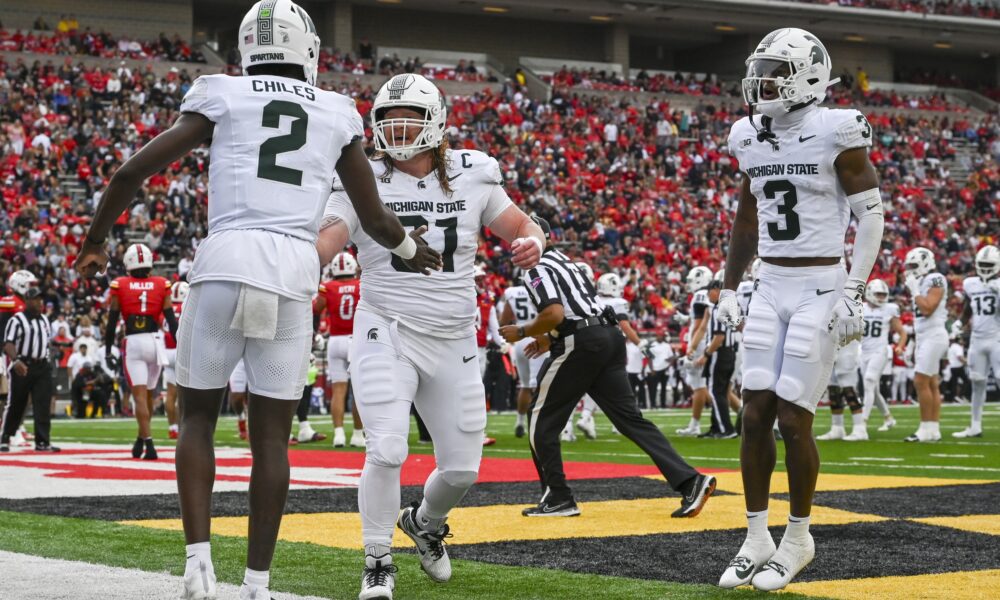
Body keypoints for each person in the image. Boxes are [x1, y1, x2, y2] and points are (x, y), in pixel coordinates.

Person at [73, 3, 440, 599]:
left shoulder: (223, 92)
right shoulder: (336, 111)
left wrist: (95, 241)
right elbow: (373, 216)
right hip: (292, 271)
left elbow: (129, 174)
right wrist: (408, 249)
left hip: (223, 263)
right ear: (309, 50)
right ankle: (257, 584)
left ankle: (197, 562)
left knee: (196, 419)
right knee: (270, 439)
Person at [316, 72, 544, 600]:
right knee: (388, 448)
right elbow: (330, 236)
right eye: (389, 119)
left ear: (436, 121)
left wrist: (533, 241)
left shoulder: (472, 172)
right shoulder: (361, 174)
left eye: (409, 118)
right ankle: (377, 560)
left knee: (462, 467)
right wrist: (306, 258)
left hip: (455, 336)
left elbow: (524, 226)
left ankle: (422, 522)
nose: (396, 130)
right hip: (385, 326)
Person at [716, 28, 883, 591]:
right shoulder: (747, 133)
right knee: (754, 414)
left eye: (774, 71)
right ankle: (755, 535)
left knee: (793, 417)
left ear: (809, 75)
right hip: (768, 283)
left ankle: (798, 537)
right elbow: (747, 217)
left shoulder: (836, 127)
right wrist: (727, 286)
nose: (761, 81)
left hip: (819, 284)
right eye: (759, 69)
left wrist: (854, 291)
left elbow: (871, 216)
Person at [500, 216, 716, 521]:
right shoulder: (566, 262)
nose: (518, 245)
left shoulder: (536, 268)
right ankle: (690, 481)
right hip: (608, 337)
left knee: (540, 420)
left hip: (582, 343)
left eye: (522, 238)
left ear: (539, 239)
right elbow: (579, 309)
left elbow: (555, 312)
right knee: (631, 420)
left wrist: (523, 332)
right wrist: (549, 337)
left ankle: (559, 497)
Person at [106, 242, 175, 460]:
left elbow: (112, 320)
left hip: (134, 342)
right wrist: (181, 343)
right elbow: (171, 320)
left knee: (139, 398)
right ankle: (140, 439)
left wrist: (108, 349)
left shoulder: (120, 284)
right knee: (148, 396)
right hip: (156, 342)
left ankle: (149, 444)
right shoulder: (161, 284)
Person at [315, 253, 365, 448]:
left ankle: (338, 435)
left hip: (335, 341)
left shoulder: (327, 287)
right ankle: (358, 434)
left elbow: (316, 308)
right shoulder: (360, 285)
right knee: (359, 390)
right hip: (357, 340)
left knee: (338, 390)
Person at [1, 287, 59, 453]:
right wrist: (16, 360)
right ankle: (6, 437)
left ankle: (42, 441)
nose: (39, 302)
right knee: (17, 403)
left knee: (42, 403)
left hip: (41, 365)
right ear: (27, 301)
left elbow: (46, 341)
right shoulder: (17, 320)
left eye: (40, 299)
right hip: (23, 365)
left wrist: (47, 359)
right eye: (35, 299)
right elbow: (8, 343)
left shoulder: (44, 320)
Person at [902, 247, 948, 442]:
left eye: (914, 265)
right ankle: (933, 429)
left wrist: (913, 291)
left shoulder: (935, 278)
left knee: (920, 382)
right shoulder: (921, 281)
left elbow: (928, 308)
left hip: (934, 334)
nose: (910, 269)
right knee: (931, 382)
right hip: (924, 336)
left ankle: (924, 429)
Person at [849, 279, 904, 439]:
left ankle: (862, 424)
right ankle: (888, 418)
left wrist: (900, 346)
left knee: (869, 381)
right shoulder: (861, 307)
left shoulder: (890, 309)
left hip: (880, 351)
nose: (881, 298)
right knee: (873, 388)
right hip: (864, 352)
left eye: (883, 295)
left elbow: (902, 332)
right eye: (878, 294)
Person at [955, 245, 1000, 438]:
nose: (985, 268)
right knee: (977, 382)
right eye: (982, 264)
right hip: (977, 338)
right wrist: (960, 322)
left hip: (997, 337)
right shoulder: (971, 283)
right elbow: (968, 307)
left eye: (989, 264)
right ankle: (975, 425)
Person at [500, 277, 547, 439]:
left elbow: (503, 320)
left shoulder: (513, 292)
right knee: (539, 386)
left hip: (519, 339)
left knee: (525, 385)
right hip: (537, 336)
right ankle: (535, 425)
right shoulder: (541, 290)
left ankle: (520, 422)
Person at [693, 280, 738, 438]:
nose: (707, 294)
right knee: (720, 391)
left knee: (715, 391)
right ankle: (716, 427)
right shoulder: (729, 307)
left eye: (710, 290)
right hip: (730, 352)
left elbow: (719, 337)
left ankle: (726, 429)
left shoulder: (720, 308)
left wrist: (705, 355)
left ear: (718, 290)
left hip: (719, 353)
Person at [678, 266, 714, 436]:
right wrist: (686, 319)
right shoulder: (707, 295)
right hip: (705, 342)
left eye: (692, 281)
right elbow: (702, 318)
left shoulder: (700, 295)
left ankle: (695, 424)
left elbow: (699, 325)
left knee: (699, 386)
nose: (689, 284)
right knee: (708, 387)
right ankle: (737, 412)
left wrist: (691, 348)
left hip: (700, 344)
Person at [816, 340, 861, 441]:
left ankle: (859, 428)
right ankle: (837, 427)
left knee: (849, 390)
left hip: (847, 346)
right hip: (832, 346)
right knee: (833, 390)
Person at [164, 281, 189, 439]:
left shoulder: (166, 309)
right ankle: (181, 428)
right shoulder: (186, 307)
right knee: (182, 395)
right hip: (180, 351)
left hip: (166, 352)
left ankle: (172, 428)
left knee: (170, 395)